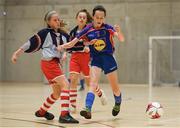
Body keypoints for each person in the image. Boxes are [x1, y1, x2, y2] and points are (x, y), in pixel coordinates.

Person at [57, 5, 125, 119]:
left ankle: (117, 103)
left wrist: (119, 32)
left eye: (102, 18)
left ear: (104, 18)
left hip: (108, 58)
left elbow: (121, 39)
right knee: (92, 84)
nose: (99, 20)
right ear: (93, 17)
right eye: (97, 17)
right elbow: (73, 42)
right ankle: (87, 108)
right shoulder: (88, 29)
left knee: (115, 88)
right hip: (96, 59)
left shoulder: (107, 28)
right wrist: (62, 46)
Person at [11, 10, 79, 123]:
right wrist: (17, 52)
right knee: (66, 84)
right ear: (48, 22)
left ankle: (42, 111)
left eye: (58, 19)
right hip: (49, 63)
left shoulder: (63, 34)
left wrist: (87, 43)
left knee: (57, 93)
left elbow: (72, 43)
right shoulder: (44, 33)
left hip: (53, 64)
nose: (58, 21)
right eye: (55, 20)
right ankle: (64, 115)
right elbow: (30, 42)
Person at [66, 9, 107, 113]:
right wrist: (65, 53)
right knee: (73, 80)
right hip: (75, 59)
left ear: (86, 20)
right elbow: (70, 47)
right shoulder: (73, 32)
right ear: (76, 18)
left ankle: (100, 94)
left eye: (84, 17)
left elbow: (96, 44)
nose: (82, 19)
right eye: (80, 17)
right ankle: (73, 105)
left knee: (90, 83)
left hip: (86, 59)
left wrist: (90, 48)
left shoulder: (90, 31)